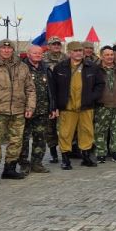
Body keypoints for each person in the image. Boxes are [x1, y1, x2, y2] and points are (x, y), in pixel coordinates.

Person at [0, 39, 35, 184]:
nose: (6, 51)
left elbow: (30, 88)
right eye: (3, 49)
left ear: (13, 50)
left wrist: (30, 107)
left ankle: (9, 169)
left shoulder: (22, 66)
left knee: (16, 141)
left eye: (9, 48)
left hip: (18, 110)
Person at [51, 41, 104, 169]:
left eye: (80, 51)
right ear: (69, 52)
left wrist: (91, 97)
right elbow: (53, 88)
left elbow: (100, 84)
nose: (79, 53)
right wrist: (55, 105)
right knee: (65, 133)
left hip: (86, 106)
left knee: (87, 132)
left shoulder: (92, 67)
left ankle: (86, 157)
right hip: (67, 108)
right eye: (75, 51)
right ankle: (65, 159)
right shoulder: (60, 67)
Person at [19, 44, 57, 174]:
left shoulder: (46, 68)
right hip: (26, 110)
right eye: (35, 53)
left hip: (43, 110)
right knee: (23, 139)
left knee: (40, 138)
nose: (38, 55)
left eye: (40, 53)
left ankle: (37, 163)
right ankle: (24, 164)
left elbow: (51, 90)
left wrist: (52, 107)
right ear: (28, 54)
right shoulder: (22, 68)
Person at [44, 36, 65, 164]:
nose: (56, 46)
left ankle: (66, 152)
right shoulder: (43, 59)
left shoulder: (66, 58)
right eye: (54, 44)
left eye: (58, 44)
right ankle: (53, 153)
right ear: (49, 46)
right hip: (49, 96)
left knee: (65, 127)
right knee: (50, 128)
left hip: (63, 96)